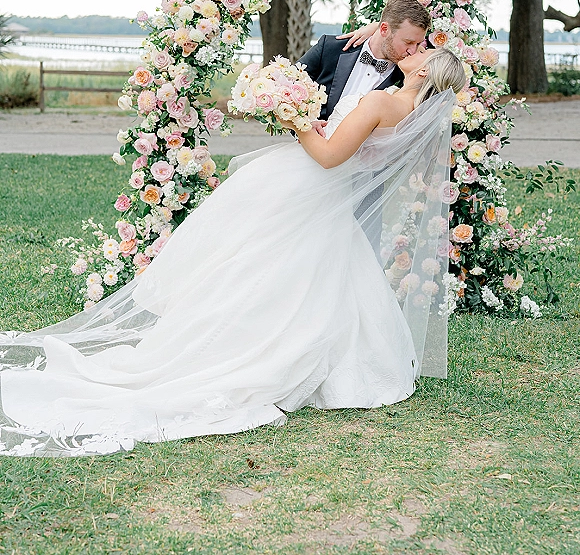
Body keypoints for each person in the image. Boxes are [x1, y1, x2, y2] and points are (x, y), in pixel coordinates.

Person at [0, 48, 465, 457]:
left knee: (251, 262)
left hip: (311, 181)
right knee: (306, 272)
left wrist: (296, 121)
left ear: (425, 74)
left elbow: (326, 156)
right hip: (330, 194)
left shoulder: (386, 100)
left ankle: (227, 344)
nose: (419, 52)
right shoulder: (411, 115)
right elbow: (362, 153)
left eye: (425, 54)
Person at [298, 0, 430, 126]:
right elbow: (285, 86)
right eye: (408, 42)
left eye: (418, 44)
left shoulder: (410, 77)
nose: (412, 51)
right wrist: (306, 125)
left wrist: (374, 27)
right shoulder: (330, 48)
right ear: (384, 29)